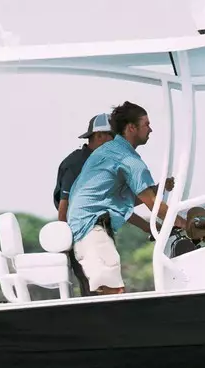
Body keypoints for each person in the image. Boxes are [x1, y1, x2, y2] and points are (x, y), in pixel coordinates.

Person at [64, 100, 184, 295]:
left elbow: (121, 205)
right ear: (131, 128)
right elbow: (152, 203)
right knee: (112, 290)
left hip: (85, 228)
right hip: (91, 229)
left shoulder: (110, 152)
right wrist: (184, 225)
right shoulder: (128, 160)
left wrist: (155, 225)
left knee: (106, 290)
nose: (151, 129)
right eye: (146, 124)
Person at [54, 113, 113, 224]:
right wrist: (68, 239)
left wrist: (154, 192)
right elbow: (64, 207)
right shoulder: (76, 164)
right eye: (114, 136)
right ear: (99, 136)